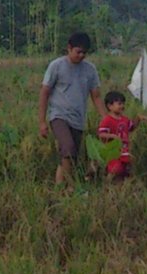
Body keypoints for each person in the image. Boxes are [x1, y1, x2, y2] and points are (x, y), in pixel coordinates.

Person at [38, 32, 107, 188]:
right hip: (59, 116)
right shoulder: (56, 66)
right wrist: (42, 121)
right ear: (69, 49)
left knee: (69, 157)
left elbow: (96, 96)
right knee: (68, 149)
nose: (81, 55)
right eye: (78, 51)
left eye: (84, 53)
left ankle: (60, 189)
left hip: (78, 120)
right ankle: (72, 188)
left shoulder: (90, 70)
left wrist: (105, 118)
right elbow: (44, 92)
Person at [97, 91, 147, 181]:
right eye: (119, 104)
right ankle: (107, 184)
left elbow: (131, 127)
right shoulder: (107, 120)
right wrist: (112, 136)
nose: (122, 106)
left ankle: (123, 187)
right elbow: (101, 134)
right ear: (110, 106)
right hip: (113, 151)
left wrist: (138, 119)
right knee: (115, 169)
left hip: (124, 150)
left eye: (123, 103)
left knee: (126, 169)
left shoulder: (124, 119)